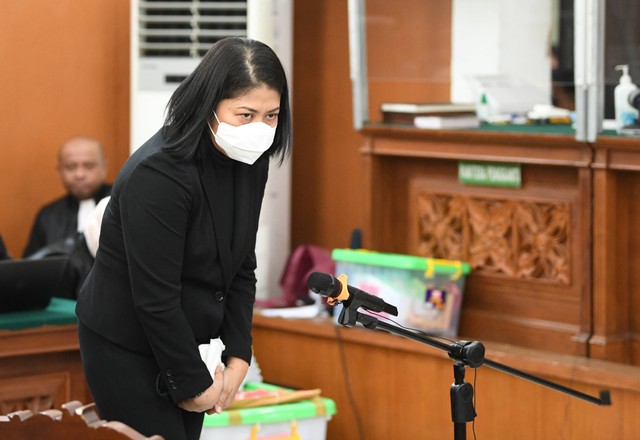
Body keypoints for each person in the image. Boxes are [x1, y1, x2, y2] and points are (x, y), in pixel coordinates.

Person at [75, 37, 292, 440]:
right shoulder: (159, 174)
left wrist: (239, 354)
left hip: (188, 341)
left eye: (272, 115)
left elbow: (242, 264)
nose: (260, 129)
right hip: (126, 344)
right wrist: (192, 381)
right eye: (245, 114)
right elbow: (155, 296)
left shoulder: (250, 161)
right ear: (210, 104)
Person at [23, 136, 111, 258]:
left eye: (89, 166)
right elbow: (32, 267)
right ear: (59, 171)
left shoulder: (119, 203)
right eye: (71, 167)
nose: (79, 175)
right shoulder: (48, 216)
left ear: (104, 167)